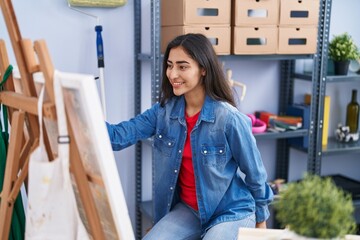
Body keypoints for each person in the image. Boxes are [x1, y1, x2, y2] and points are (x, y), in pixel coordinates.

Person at [106, 33, 273, 240]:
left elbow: (255, 173)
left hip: (231, 211)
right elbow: (117, 137)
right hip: (190, 211)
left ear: (203, 69)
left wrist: (261, 221)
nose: (172, 74)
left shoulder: (229, 119)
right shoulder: (163, 113)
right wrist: (78, 110)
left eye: (182, 66)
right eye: (169, 65)